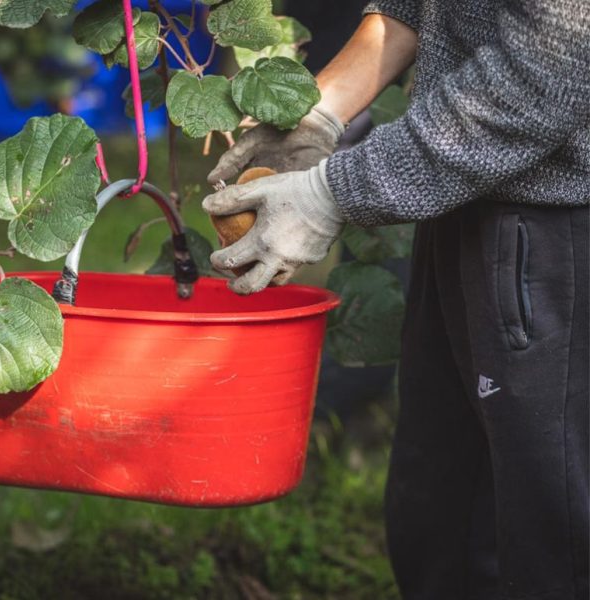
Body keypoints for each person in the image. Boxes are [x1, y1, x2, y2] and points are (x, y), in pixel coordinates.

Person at [203, 2, 590, 599]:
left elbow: (548, 69)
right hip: (464, 199)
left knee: (547, 539)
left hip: (554, 220)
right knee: (439, 521)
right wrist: (319, 116)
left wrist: (331, 195)